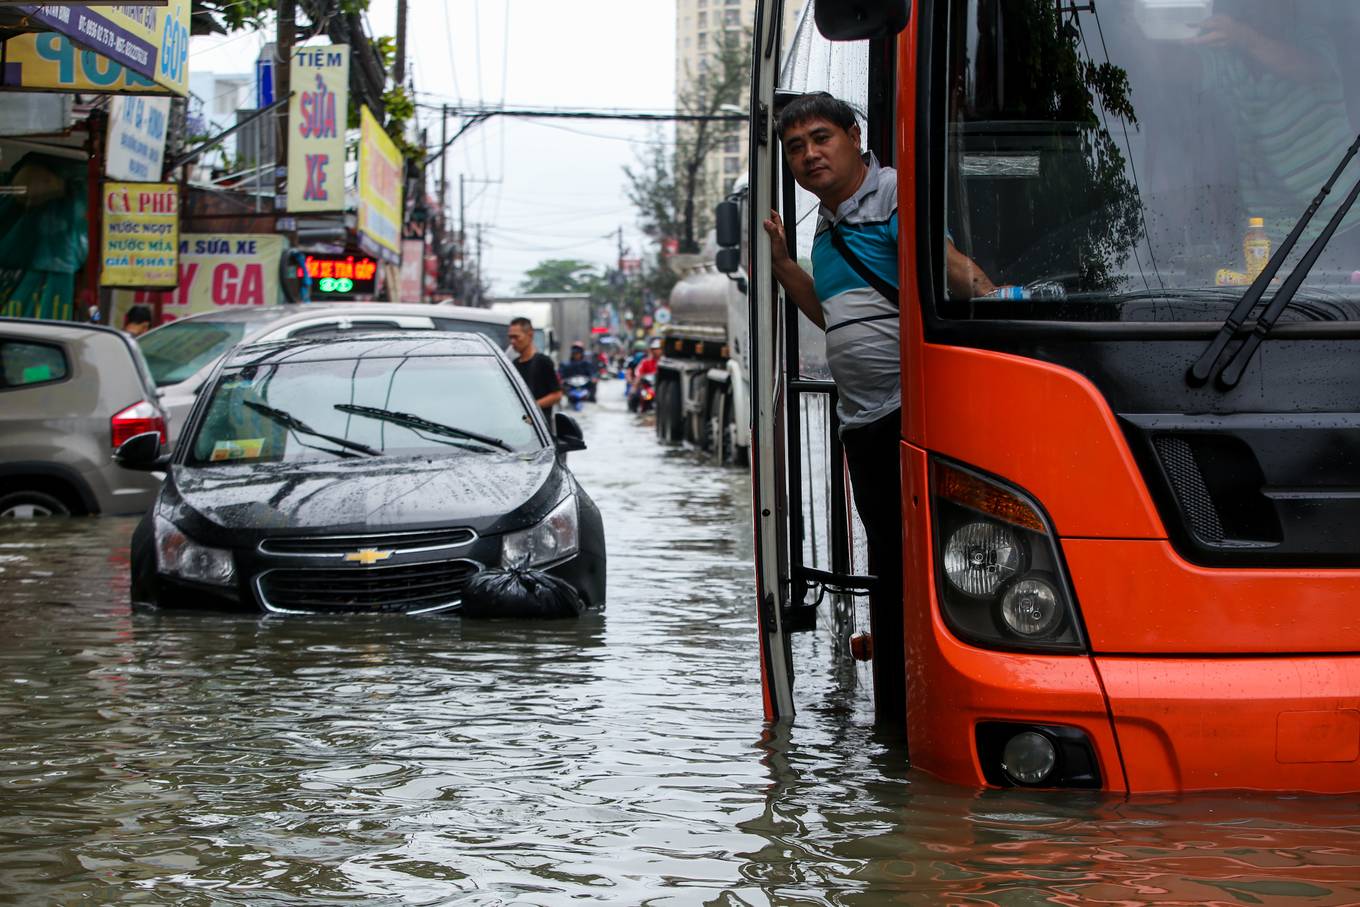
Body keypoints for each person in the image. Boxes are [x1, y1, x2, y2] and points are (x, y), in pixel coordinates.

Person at [761, 91, 959, 723]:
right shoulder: (828, 223)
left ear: (854, 137)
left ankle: (932, 684)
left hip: (916, 411)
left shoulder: (895, 195)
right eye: (795, 147)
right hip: (864, 420)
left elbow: (952, 273)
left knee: (933, 556)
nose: (808, 154)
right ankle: (901, 692)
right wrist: (785, 267)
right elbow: (832, 315)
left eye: (821, 138)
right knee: (889, 557)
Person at [508, 316, 562, 426]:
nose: (512, 341)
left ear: (530, 335)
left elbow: (557, 395)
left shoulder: (543, 361)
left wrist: (532, 407)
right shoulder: (514, 364)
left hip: (541, 427)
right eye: (510, 337)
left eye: (516, 337)